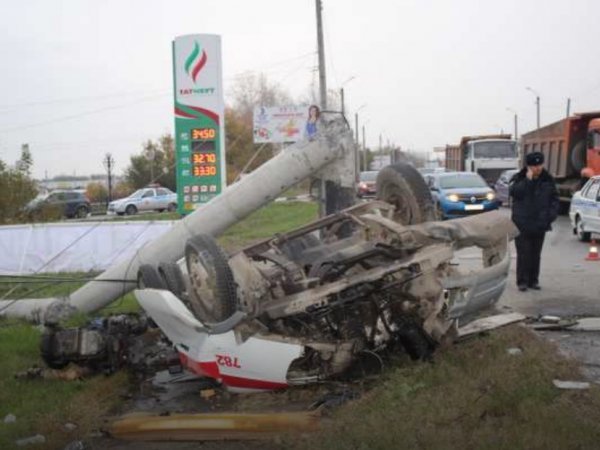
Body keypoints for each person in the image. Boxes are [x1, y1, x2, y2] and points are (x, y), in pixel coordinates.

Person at [509, 151, 559, 291]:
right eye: (534, 166)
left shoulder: (547, 179)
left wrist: (550, 215)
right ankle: (522, 282)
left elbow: (555, 199)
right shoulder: (519, 178)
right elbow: (515, 193)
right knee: (524, 254)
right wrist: (527, 181)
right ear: (528, 166)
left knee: (535, 254)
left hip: (540, 223)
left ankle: (533, 280)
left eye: (539, 165)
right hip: (522, 224)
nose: (537, 168)